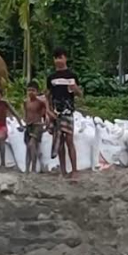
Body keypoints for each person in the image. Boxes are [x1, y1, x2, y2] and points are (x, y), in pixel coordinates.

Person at [47, 47, 83, 177]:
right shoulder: (51, 78)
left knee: (69, 140)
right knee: (59, 142)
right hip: (56, 114)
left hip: (68, 113)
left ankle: (74, 170)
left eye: (60, 57)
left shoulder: (72, 76)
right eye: (56, 58)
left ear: (65, 58)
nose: (58, 60)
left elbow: (80, 94)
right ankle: (63, 171)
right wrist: (48, 111)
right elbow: (48, 96)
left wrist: (75, 89)